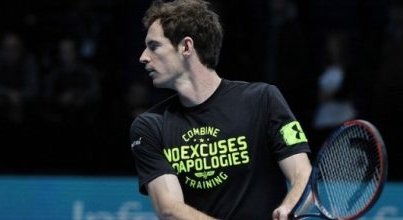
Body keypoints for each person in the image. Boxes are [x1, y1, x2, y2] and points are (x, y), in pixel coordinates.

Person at [129, 0, 312, 219]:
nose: (143, 57)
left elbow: (302, 174)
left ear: (186, 47)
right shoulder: (150, 126)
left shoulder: (263, 100)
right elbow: (169, 209)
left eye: (154, 46)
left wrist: (289, 206)